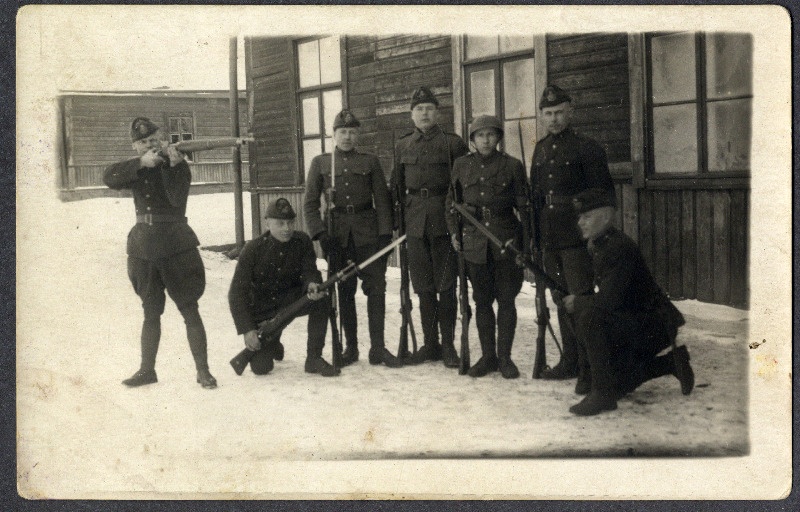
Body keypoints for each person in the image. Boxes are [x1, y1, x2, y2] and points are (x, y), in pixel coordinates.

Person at [103, 117, 216, 389]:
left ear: (162, 140)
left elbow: (177, 199)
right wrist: (141, 164)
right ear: (135, 147)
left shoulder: (177, 166)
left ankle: (203, 371)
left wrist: (174, 166)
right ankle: (146, 370)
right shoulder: (137, 167)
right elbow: (109, 178)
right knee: (150, 312)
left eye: (153, 139)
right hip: (144, 249)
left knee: (189, 309)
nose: (149, 145)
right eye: (143, 142)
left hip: (176, 246)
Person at [563, 188, 694, 416]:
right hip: (635, 321)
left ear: (605, 217)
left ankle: (602, 395)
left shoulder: (617, 248)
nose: (580, 222)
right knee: (618, 383)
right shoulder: (602, 243)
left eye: (587, 217)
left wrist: (579, 302)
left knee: (590, 315)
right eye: (579, 217)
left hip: (654, 326)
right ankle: (671, 362)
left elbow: (607, 302)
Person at [529, 85, 616, 385]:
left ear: (571, 112)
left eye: (559, 113)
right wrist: (535, 238)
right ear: (541, 116)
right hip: (550, 236)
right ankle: (570, 360)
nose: (553, 119)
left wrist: (594, 237)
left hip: (577, 238)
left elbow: (603, 198)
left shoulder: (588, 149)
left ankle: (591, 365)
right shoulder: (540, 149)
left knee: (581, 300)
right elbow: (535, 197)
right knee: (559, 297)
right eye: (548, 114)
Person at [303, 109, 401, 368]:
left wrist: (384, 235)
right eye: (342, 132)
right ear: (333, 134)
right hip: (337, 237)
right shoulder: (321, 163)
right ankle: (351, 347)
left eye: (352, 132)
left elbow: (382, 200)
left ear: (358, 135)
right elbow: (310, 204)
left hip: (368, 236)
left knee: (376, 290)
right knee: (344, 293)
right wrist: (321, 236)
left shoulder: (370, 162)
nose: (347, 136)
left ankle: (378, 349)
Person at [390, 86, 470, 368]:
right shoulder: (402, 145)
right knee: (422, 286)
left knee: (446, 284)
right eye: (419, 109)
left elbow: (463, 186)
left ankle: (448, 344)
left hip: (444, 220)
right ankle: (430, 343)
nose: (424, 114)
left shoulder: (453, 143)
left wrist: (460, 224)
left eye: (429, 109)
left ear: (437, 113)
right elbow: (396, 188)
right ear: (412, 115)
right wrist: (396, 226)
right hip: (414, 224)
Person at [446, 115, 530, 379]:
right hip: (474, 244)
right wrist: (453, 233)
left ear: (498, 138)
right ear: (472, 139)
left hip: (505, 241)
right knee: (482, 301)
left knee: (506, 300)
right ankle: (487, 356)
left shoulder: (512, 165)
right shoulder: (461, 165)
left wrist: (525, 245)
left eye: (491, 135)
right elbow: (451, 203)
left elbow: (524, 209)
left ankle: (505, 358)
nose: (485, 139)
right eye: (480, 135)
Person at [228, 198, 339, 377]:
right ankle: (273, 344)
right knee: (261, 368)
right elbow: (236, 294)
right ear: (267, 223)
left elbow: (310, 270)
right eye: (280, 223)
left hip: (291, 302)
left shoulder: (302, 241)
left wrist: (312, 283)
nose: (286, 228)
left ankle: (314, 358)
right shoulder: (252, 249)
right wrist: (248, 330)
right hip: (263, 311)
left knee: (321, 298)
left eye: (290, 222)